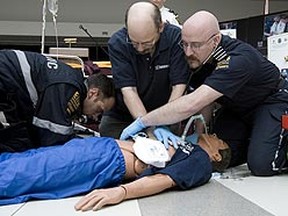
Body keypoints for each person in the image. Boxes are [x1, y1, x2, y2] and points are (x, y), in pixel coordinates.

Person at [120, 10, 288, 176]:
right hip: (237, 109)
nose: (188, 52)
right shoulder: (200, 58)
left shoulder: (238, 59)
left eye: (195, 45)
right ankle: (260, 141)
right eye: (184, 44)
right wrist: (198, 135)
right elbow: (206, 102)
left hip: (272, 100)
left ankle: (269, 144)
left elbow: (194, 102)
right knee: (218, 153)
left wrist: (144, 121)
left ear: (215, 41)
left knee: (262, 164)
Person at [0, 131, 230, 208]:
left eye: (220, 141)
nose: (216, 136)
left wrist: (121, 192)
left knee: (26, 172)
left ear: (217, 155)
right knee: (27, 160)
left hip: (104, 160)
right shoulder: (185, 144)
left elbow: (164, 179)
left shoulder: (200, 162)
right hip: (103, 148)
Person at [99, 1, 189, 138]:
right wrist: (148, 128)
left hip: (165, 113)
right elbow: (129, 90)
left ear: (160, 27)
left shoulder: (176, 38)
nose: (140, 48)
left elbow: (178, 86)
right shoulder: (118, 43)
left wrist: (165, 123)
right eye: (134, 43)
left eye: (147, 43)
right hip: (123, 116)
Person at [0, 49, 115, 152]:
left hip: (10, 77)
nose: (95, 117)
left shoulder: (71, 78)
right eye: (99, 109)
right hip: (6, 80)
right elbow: (52, 135)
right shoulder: (67, 87)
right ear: (93, 93)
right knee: (15, 143)